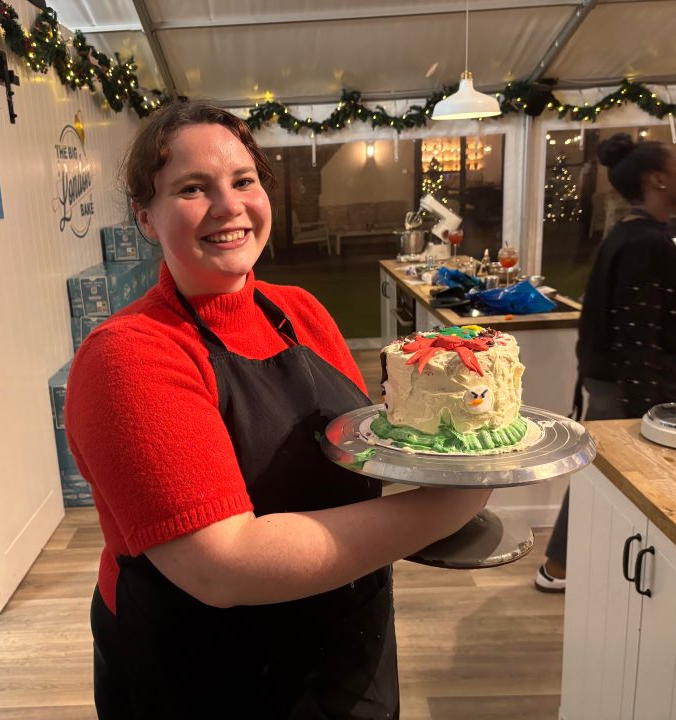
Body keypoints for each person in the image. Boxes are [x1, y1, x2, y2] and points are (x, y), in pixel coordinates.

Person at [65, 100, 493, 719]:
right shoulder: (129, 356)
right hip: (205, 671)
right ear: (146, 219)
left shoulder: (299, 310)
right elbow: (222, 566)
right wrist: (453, 502)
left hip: (347, 636)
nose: (228, 206)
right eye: (192, 188)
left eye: (244, 180)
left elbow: (363, 443)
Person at [534, 133, 676, 593]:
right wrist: (654, 404)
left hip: (619, 380)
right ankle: (561, 568)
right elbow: (633, 327)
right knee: (602, 474)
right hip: (630, 385)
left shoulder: (634, 233)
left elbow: (637, 301)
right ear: (657, 179)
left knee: (599, 472)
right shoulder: (647, 242)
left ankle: (565, 565)